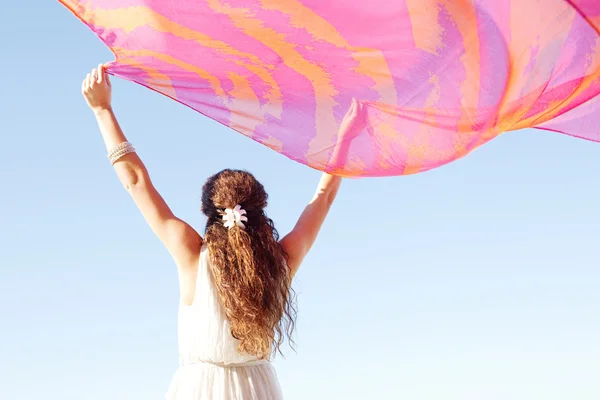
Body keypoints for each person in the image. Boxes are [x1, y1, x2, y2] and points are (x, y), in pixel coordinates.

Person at [81, 64, 364, 399]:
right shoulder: (281, 260)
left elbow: (135, 181)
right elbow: (324, 197)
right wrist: (347, 138)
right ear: (260, 214)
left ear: (209, 213)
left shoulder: (190, 252)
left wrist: (102, 110)